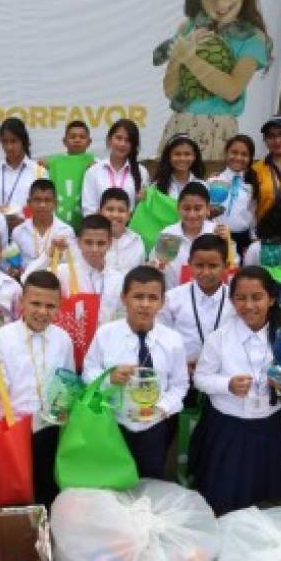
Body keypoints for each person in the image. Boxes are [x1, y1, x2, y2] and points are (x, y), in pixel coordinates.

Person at [190, 266, 281, 513]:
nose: (248, 306)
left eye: (257, 297)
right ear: (232, 300)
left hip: (266, 426)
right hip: (227, 426)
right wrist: (226, 384)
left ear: (271, 299)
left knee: (256, 488)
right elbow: (201, 379)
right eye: (241, 298)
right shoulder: (219, 338)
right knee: (221, 489)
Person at [155, 0, 273, 160]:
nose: (220, 4)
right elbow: (171, 91)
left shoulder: (253, 38)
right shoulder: (189, 27)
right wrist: (177, 59)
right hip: (180, 127)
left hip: (218, 133)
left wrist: (189, 58)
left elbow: (231, 90)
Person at [84, 266, 189, 480]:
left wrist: (162, 408)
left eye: (152, 298)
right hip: (114, 423)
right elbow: (88, 372)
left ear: (162, 302)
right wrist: (108, 379)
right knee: (114, 478)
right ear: (124, 298)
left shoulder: (173, 341)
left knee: (150, 477)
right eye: (138, 297)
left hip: (154, 425)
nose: (145, 304)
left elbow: (180, 385)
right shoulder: (106, 334)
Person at [0, 270, 75, 506]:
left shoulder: (63, 339)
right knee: (17, 486)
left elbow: (67, 380)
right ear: (22, 302)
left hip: (49, 425)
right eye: (35, 303)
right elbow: (2, 385)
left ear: (59, 306)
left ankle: (47, 531)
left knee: (47, 484)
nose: (42, 311)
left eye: (50, 306)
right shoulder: (3, 336)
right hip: (15, 423)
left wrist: (63, 407)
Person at [25, 214, 125, 324]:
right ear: (78, 242)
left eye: (100, 243)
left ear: (110, 243)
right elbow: (26, 278)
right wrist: (49, 254)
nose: (94, 249)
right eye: (88, 242)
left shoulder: (118, 279)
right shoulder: (63, 272)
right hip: (68, 338)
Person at [160, 233, 230, 371]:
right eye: (199, 265)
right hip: (182, 373)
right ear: (189, 263)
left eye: (213, 266)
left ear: (225, 266)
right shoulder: (172, 298)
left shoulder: (235, 300)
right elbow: (162, 338)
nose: (205, 272)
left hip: (224, 375)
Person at [156, 182, 231, 288]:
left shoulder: (217, 232)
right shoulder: (168, 234)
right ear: (178, 208)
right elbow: (157, 267)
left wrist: (226, 242)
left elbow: (229, 267)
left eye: (197, 208)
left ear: (208, 209)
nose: (192, 214)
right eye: (186, 208)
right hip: (174, 297)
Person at [81, 119, 148, 215]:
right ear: (109, 140)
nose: (122, 144)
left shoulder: (142, 172)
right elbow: (88, 210)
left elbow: (142, 210)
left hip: (129, 228)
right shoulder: (94, 171)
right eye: (119, 138)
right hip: (100, 228)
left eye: (128, 140)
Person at [207, 133, 258, 257]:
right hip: (216, 235)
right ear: (226, 153)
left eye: (244, 154)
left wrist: (253, 238)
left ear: (250, 158)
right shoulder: (213, 181)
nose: (238, 157)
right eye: (234, 152)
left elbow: (252, 214)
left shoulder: (250, 185)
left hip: (242, 239)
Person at [42, 120, 95, 228]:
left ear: (89, 142)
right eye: (73, 137)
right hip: (57, 224)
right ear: (64, 141)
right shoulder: (54, 162)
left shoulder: (94, 163)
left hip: (85, 224)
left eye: (82, 137)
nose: (77, 140)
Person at [10, 180, 76, 265]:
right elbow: (15, 264)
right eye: (37, 200)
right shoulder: (18, 231)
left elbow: (70, 263)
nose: (42, 205)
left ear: (55, 204)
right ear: (28, 203)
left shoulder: (66, 231)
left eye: (47, 200)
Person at [0, 117, 41, 216]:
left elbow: (42, 204)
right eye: (4, 142)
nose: (9, 147)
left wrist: (23, 219)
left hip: (27, 228)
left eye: (14, 141)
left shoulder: (38, 171)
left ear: (23, 141)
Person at [100, 188, 146, 271]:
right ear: (100, 212)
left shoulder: (136, 241)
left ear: (129, 215)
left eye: (121, 210)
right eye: (110, 209)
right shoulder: (93, 241)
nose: (115, 215)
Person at [153, 134, 206, 200]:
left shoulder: (204, 186)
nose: (182, 158)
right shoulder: (156, 187)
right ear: (169, 157)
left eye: (187, 154)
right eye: (177, 154)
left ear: (194, 156)